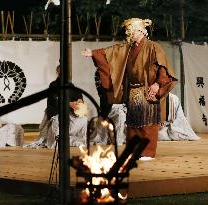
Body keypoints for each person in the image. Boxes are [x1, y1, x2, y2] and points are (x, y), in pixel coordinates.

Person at [82, 18, 178, 160]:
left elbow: (163, 67)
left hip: (148, 89)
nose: (129, 34)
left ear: (140, 30)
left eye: (131, 31)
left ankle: (147, 152)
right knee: (133, 123)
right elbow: (112, 52)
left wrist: (158, 83)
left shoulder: (153, 47)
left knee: (148, 121)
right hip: (133, 90)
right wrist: (94, 53)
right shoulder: (128, 48)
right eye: (128, 31)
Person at [24, 65, 88, 149]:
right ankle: (60, 141)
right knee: (59, 120)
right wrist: (69, 104)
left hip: (69, 114)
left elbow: (78, 95)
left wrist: (80, 100)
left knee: (83, 119)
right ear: (57, 73)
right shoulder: (53, 85)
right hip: (57, 113)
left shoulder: (71, 85)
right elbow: (54, 101)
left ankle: (77, 140)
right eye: (61, 71)